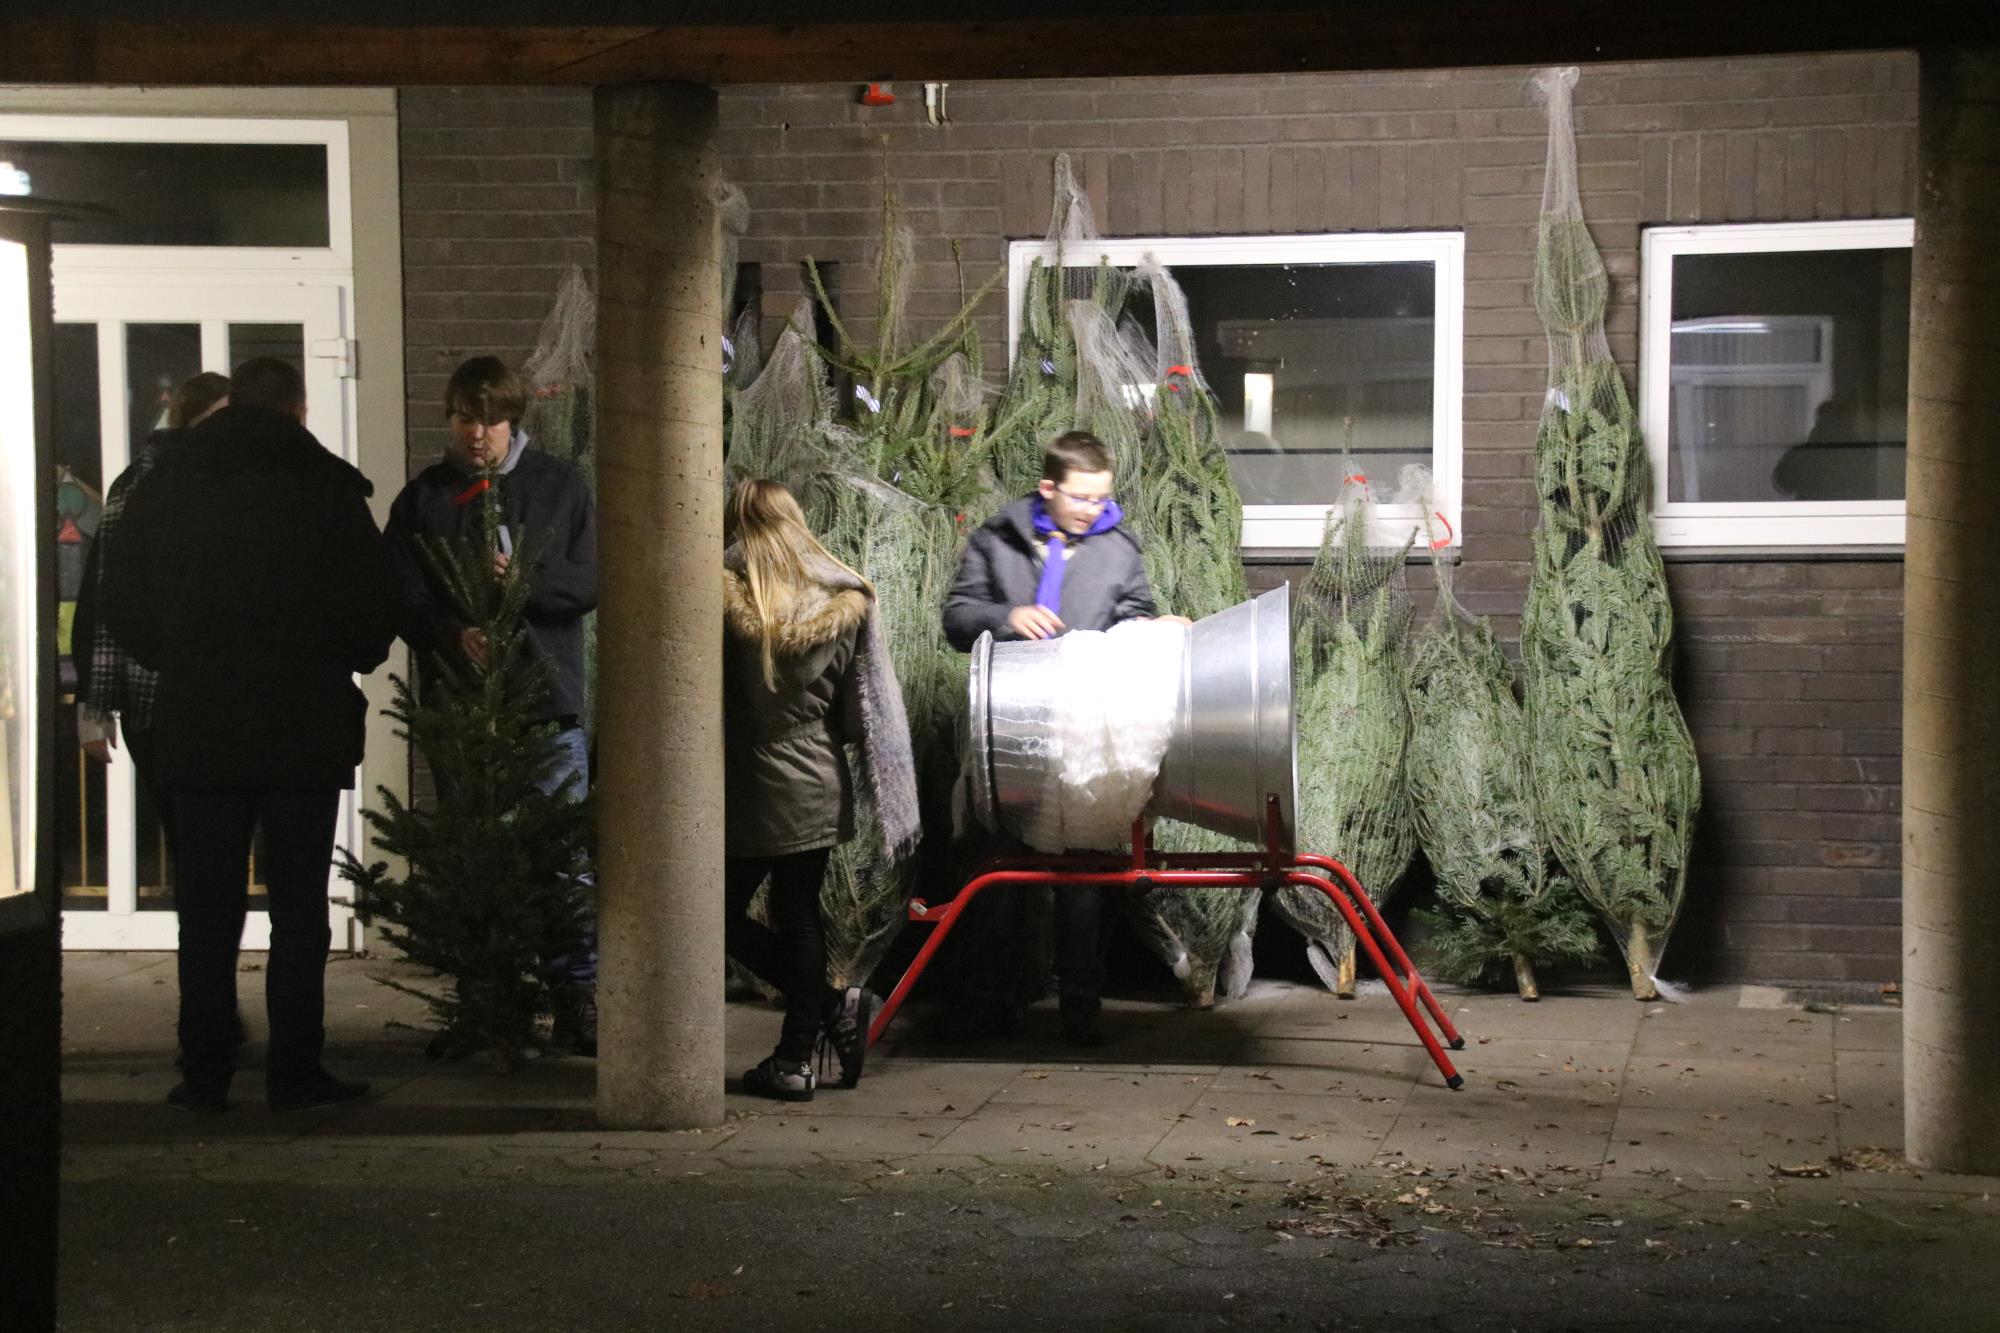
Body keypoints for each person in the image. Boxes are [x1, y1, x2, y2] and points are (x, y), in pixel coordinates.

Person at [102, 357, 398, 1114]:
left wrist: (178, 656)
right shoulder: (328, 489)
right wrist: (337, 656)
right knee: (299, 909)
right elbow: (374, 609)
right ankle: (294, 1070)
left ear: (233, 404)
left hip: (200, 721)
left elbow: (122, 599)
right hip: (303, 725)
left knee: (206, 909)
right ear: (300, 410)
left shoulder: (168, 485)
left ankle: (204, 1071)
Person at [384, 356, 600, 1053]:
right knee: (475, 858)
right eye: (464, 419)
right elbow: (401, 594)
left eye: (489, 420)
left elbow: (590, 579)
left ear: (513, 421)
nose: (476, 434)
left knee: (562, 857)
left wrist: (522, 582)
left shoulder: (558, 485)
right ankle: (487, 1004)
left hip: (545, 701)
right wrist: (453, 633)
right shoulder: (424, 498)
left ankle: (576, 997)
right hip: (461, 708)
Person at [941, 429, 1184, 1046]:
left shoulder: (1118, 549)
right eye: (1080, 498)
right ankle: (988, 1006)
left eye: (1102, 499)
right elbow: (957, 618)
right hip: (1009, 731)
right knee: (1000, 875)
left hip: (1084, 732)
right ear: (1048, 487)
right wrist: (1005, 617)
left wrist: (1153, 627)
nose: (1092, 510)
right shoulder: (996, 540)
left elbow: (1132, 615)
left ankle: (1081, 1009)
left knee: (1083, 880)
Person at [722, 479, 919, 1101]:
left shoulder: (724, 594)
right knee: (800, 912)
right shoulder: (846, 599)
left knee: (720, 914)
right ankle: (807, 1040)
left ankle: (801, 1049)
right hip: (819, 775)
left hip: (754, 777)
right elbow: (863, 715)